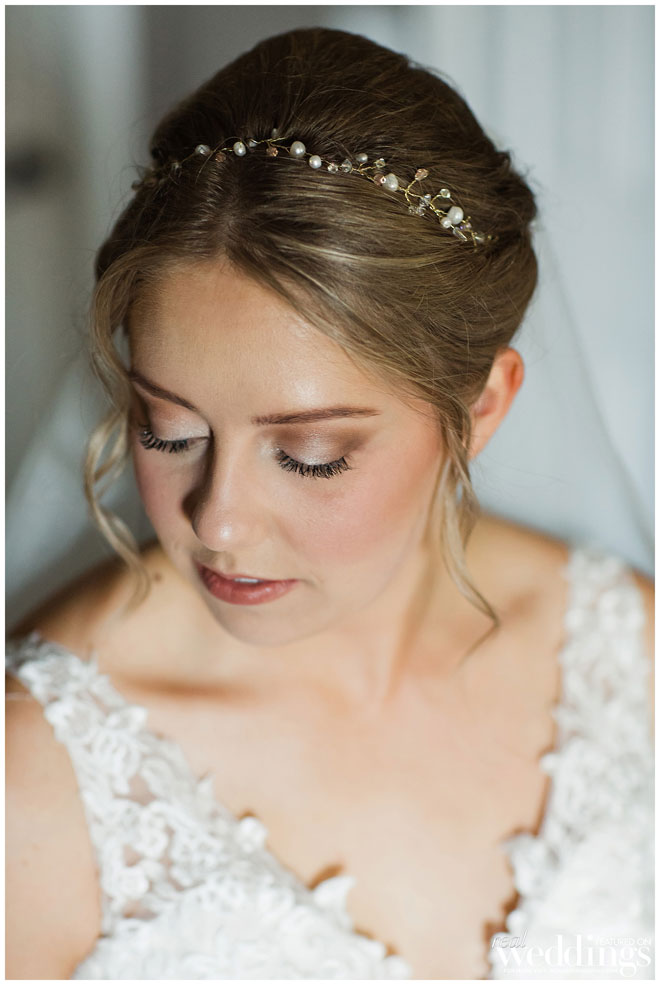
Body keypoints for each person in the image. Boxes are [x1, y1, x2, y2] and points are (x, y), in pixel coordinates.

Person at [5, 26, 654, 981]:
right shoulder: (35, 781)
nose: (219, 520)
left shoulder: (631, 661)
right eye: (168, 430)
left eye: (309, 456)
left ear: (481, 407)